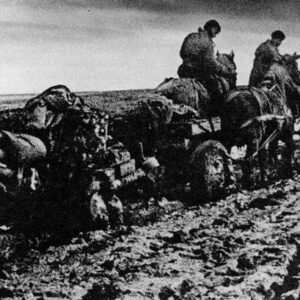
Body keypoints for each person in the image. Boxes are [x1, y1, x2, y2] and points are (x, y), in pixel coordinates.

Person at [177, 20, 236, 99]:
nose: (215, 35)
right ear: (211, 28)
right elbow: (211, 62)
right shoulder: (207, 42)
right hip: (196, 72)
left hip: (183, 70)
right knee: (215, 88)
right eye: (216, 32)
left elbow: (182, 53)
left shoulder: (191, 36)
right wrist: (225, 70)